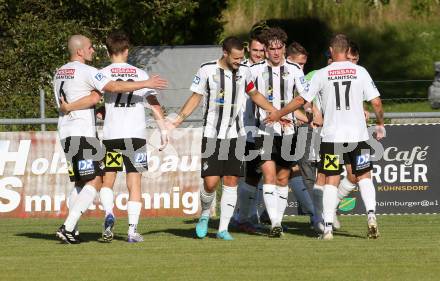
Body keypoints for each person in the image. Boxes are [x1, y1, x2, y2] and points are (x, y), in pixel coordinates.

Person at [266, 34, 385, 240]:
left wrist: (278, 113)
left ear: (331, 50)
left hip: (331, 137)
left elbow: (301, 99)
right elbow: (376, 102)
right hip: (358, 135)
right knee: (364, 176)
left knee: (331, 179)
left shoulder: (322, 74)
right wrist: (381, 123)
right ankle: (372, 217)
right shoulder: (360, 72)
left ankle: (328, 228)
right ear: (348, 51)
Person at [54, 34, 167, 244]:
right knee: (132, 182)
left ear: (108, 51)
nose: (93, 51)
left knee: (103, 180)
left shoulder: (73, 72)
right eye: (89, 47)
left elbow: (101, 97)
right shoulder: (136, 73)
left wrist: (99, 111)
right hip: (134, 137)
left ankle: (104, 214)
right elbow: (150, 101)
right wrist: (164, 129)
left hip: (107, 137)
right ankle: (131, 231)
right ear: (127, 51)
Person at [167, 36, 277, 240]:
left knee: (231, 180)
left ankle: (223, 229)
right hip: (212, 134)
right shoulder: (207, 70)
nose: (239, 62)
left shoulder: (244, 71)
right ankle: (205, 214)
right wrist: (179, 119)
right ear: (225, 53)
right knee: (210, 183)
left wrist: (276, 111)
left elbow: (255, 95)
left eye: (241, 58)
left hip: (236, 134)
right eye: (235, 58)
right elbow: (195, 97)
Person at [250, 27, 309, 237]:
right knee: (269, 175)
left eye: (279, 48)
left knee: (283, 178)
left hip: (288, 130)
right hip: (264, 130)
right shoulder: (255, 70)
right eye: (271, 48)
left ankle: (277, 220)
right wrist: (273, 113)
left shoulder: (294, 69)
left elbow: (303, 98)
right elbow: (252, 94)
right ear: (265, 49)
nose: (276, 53)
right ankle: (275, 224)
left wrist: (281, 114)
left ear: (284, 48)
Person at [232, 34, 266, 232]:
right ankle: (237, 215)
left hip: (258, 131)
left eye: (262, 51)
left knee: (255, 175)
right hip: (239, 130)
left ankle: (245, 217)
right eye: (255, 50)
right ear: (248, 50)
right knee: (233, 175)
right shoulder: (241, 70)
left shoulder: (266, 71)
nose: (259, 54)